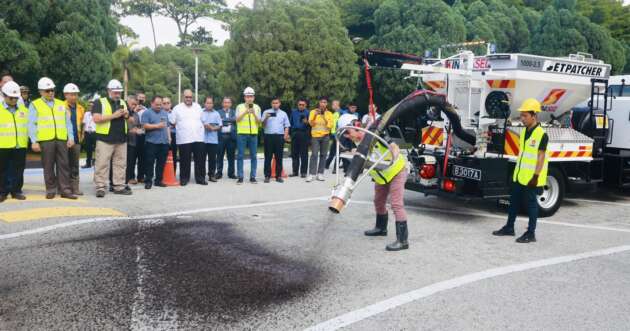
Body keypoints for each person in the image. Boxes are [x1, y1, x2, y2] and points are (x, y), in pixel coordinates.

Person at [343, 118, 410, 251]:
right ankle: (381, 228)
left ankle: (403, 241)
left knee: (396, 204)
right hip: (381, 175)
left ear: (358, 129)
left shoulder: (376, 136)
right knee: (378, 201)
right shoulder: (358, 144)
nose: (347, 136)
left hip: (396, 171)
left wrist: (394, 155)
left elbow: (393, 146)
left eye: (348, 132)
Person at [493, 98, 549, 243]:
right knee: (514, 201)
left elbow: (540, 157)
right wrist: (516, 173)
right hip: (520, 176)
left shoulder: (541, 134)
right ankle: (509, 227)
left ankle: (531, 233)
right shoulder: (524, 132)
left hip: (532, 178)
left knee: (531, 205)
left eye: (525, 116)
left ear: (534, 116)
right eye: (521, 115)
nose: (522, 118)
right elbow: (523, 155)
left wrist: (536, 176)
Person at [28, 77, 77, 200]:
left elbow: (68, 123)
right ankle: (50, 189)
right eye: (47, 90)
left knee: (64, 165)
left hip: (61, 139)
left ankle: (65, 190)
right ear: (41, 91)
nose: (50, 93)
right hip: (46, 140)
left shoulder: (61, 104)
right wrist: (34, 141)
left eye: (52, 90)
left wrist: (70, 137)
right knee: (48, 166)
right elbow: (31, 124)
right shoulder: (35, 104)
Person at [92, 79, 132, 197]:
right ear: (109, 91)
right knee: (102, 163)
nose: (117, 94)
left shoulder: (124, 102)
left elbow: (131, 120)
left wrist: (127, 115)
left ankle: (118, 186)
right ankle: (100, 187)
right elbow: (96, 119)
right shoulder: (99, 102)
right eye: (115, 92)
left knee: (120, 164)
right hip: (105, 139)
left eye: (119, 92)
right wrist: (114, 116)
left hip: (121, 139)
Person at [170, 89, 205, 186]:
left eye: (190, 97)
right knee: (184, 160)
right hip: (184, 138)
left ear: (192, 97)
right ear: (183, 97)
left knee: (200, 160)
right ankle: (184, 179)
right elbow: (172, 122)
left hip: (198, 137)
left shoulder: (198, 107)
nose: (189, 99)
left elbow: (203, 120)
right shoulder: (177, 108)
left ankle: (200, 178)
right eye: (187, 97)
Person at [0, 81, 28, 202]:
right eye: (11, 98)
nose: (14, 100)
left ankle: (16, 191)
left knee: (19, 169)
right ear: (3, 95)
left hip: (20, 145)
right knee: (2, 170)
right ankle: (2, 192)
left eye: (16, 98)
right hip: (3, 145)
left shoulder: (24, 110)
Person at [141, 95, 170, 189]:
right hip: (151, 142)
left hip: (164, 142)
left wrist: (169, 138)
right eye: (157, 104)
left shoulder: (164, 113)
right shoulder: (147, 113)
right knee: (150, 162)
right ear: (151, 103)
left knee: (161, 163)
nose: (159, 106)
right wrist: (157, 126)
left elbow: (167, 126)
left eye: (160, 104)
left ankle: (158, 180)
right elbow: (144, 126)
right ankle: (148, 180)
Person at [235, 87, 262, 184]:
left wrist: (254, 113)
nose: (249, 98)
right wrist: (245, 112)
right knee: (240, 156)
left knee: (253, 156)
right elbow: (237, 120)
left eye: (251, 96)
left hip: (253, 135)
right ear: (244, 97)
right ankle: (240, 177)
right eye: (247, 96)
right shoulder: (239, 107)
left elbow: (259, 122)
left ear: (254, 97)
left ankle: (253, 177)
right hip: (241, 134)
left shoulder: (257, 107)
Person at [63, 83, 85, 195]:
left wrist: (82, 137)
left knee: (75, 166)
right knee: (64, 165)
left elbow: (82, 124)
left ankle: (75, 188)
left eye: (75, 94)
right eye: (71, 94)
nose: (74, 97)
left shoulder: (81, 108)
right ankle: (64, 187)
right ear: (65, 95)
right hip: (63, 140)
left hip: (76, 140)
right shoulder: (60, 106)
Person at [262, 97, 290, 183]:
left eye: (276, 103)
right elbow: (262, 125)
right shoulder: (266, 112)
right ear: (271, 104)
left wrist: (285, 135)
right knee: (268, 157)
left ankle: (278, 176)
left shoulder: (283, 113)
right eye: (273, 103)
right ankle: (267, 176)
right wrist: (266, 118)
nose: (275, 104)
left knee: (279, 157)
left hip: (279, 137)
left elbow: (287, 125)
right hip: (268, 136)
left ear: (279, 103)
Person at [307, 96, 333, 182]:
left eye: (325, 102)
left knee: (323, 155)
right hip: (315, 136)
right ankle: (311, 174)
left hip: (325, 136)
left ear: (327, 104)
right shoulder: (313, 112)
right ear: (319, 103)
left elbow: (330, 126)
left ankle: (320, 174)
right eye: (322, 102)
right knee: (314, 154)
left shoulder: (329, 114)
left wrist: (323, 116)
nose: (323, 104)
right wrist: (315, 116)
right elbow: (311, 124)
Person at [334, 102, 360, 172]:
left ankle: (347, 169)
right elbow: (338, 124)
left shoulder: (356, 115)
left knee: (350, 151)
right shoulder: (344, 113)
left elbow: (357, 126)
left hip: (352, 135)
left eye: (355, 108)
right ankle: (335, 168)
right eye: (352, 107)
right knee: (341, 151)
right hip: (343, 134)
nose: (353, 109)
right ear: (349, 107)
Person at [201, 97, 222, 182]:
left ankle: (211, 175)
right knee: (201, 159)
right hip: (202, 140)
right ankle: (201, 175)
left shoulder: (216, 113)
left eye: (211, 103)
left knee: (212, 159)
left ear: (213, 104)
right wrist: (204, 126)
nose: (209, 104)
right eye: (207, 103)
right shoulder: (200, 112)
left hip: (213, 140)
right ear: (204, 103)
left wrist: (213, 128)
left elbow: (220, 125)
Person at [217, 97, 237, 179]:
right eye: (225, 102)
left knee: (231, 156)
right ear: (222, 103)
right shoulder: (218, 112)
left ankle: (231, 173)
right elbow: (218, 121)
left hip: (231, 137)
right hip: (221, 137)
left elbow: (235, 119)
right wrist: (230, 120)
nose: (226, 104)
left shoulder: (234, 112)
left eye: (228, 102)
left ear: (231, 104)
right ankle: (219, 173)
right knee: (219, 156)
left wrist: (223, 120)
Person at [289, 99, 310, 178]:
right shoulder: (293, 112)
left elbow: (311, 125)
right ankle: (295, 171)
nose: (301, 106)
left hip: (304, 133)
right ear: (297, 105)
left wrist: (306, 122)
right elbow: (290, 123)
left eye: (303, 105)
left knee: (304, 154)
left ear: (305, 105)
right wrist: (289, 134)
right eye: (299, 104)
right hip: (294, 133)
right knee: (294, 153)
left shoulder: (308, 113)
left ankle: (303, 172)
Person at [125, 95, 142, 184]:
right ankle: (125, 178)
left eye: (135, 104)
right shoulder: (124, 113)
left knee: (132, 161)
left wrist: (139, 130)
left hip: (134, 141)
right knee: (125, 161)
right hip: (124, 141)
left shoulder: (136, 114)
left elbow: (138, 126)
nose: (134, 106)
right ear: (127, 103)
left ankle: (131, 177)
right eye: (132, 104)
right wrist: (131, 130)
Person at [325, 99, 342, 172]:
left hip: (338, 134)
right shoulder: (335, 113)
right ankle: (326, 165)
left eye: (333, 104)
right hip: (334, 134)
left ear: (337, 105)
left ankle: (335, 168)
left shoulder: (340, 113)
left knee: (337, 152)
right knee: (333, 151)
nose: (332, 106)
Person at [134, 92, 147, 183]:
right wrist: (135, 110)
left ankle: (141, 176)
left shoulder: (146, 109)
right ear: (136, 98)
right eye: (139, 97)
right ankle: (130, 176)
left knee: (142, 157)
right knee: (132, 157)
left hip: (143, 134)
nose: (141, 99)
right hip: (133, 134)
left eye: (143, 98)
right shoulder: (132, 108)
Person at [162, 97, 177, 169]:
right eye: (164, 103)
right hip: (163, 136)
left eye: (168, 103)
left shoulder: (175, 113)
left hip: (173, 135)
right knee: (162, 156)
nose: (166, 105)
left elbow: (176, 124)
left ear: (171, 104)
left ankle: (172, 174)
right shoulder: (160, 113)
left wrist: (170, 126)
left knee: (173, 155)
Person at [82, 101, 97, 168]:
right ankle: (88, 164)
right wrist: (83, 134)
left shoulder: (97, 114)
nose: (90, 107)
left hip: (95, 133)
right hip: (87, 133)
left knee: (97, 149)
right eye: (89, 106)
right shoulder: (86, 114)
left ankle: (96, 162)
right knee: (88, 149)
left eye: (92, 106)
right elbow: (84, 124)